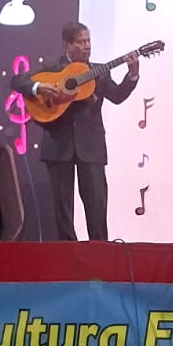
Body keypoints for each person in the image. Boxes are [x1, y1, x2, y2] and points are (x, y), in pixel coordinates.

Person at [10, 22, 139, 241]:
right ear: (67, 45)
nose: (87, 46)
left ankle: (100, 251)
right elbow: (17, 80)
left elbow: (117, 96)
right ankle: (68, 253)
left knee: (97, 205)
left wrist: (132, 75)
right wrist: (39, 87)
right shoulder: (52, 67)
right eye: (81, 42)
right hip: (58, 145)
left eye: (89, 41)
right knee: (62, 208)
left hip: (91, 147)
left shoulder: (98, 72)